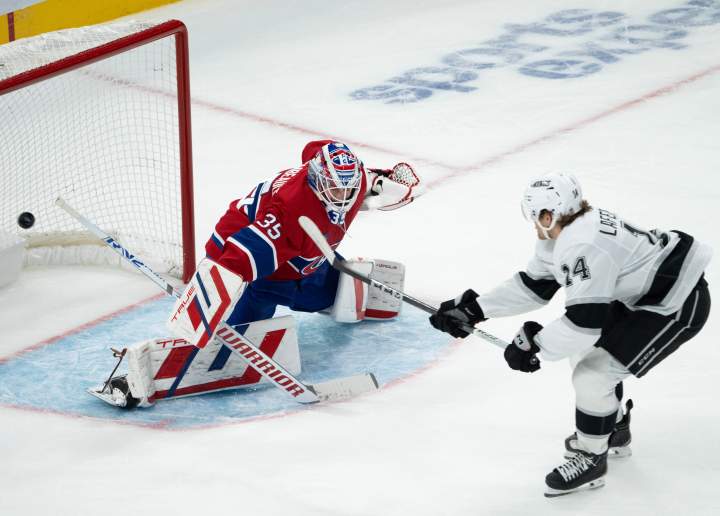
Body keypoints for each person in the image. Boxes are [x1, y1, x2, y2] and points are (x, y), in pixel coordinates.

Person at [429, 172, 712, 497]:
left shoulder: (582, 243)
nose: (533, 224)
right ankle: (614, 429)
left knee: (593, 376)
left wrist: (534, 346)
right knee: (585, 357)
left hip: (677, 302)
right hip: (647, 295)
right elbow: (535, 286)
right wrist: (475, 310)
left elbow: (584, 324)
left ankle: (592, 459)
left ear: (548, 215)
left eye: (534, 216)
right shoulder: (566, 233)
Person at [169, 139, 420, 347]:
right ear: (318, 179)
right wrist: (196, 315)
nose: (343, 197)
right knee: (259, 301)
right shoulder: (292, 212)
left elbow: (320, 152)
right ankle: (235, 336)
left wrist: (384, 184)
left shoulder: (346, 177)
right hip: (243, 245)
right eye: (336, 189)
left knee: (326, 291)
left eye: (348, 189)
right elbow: (242, 255)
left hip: (298, 250)